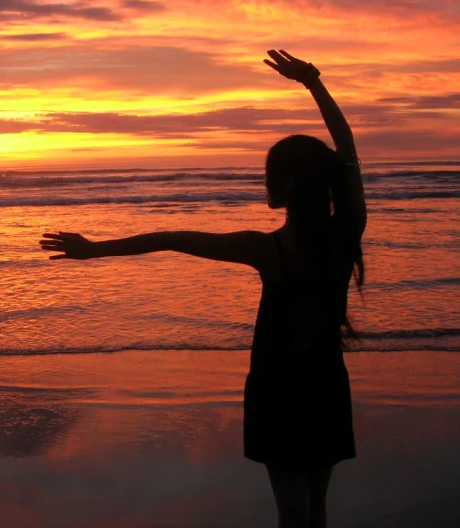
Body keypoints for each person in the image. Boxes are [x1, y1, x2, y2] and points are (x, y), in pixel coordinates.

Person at [39, 49, 366, 528]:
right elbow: (348, 149)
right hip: (324, 383)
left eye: (269, 176)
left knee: (294, 511)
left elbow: (170, 239)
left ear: (289, 183)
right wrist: (312, 82)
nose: (264, 185)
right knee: (314, 508)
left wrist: (95, 250)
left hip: (277, 387)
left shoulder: (265, 249)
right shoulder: (345, 233)